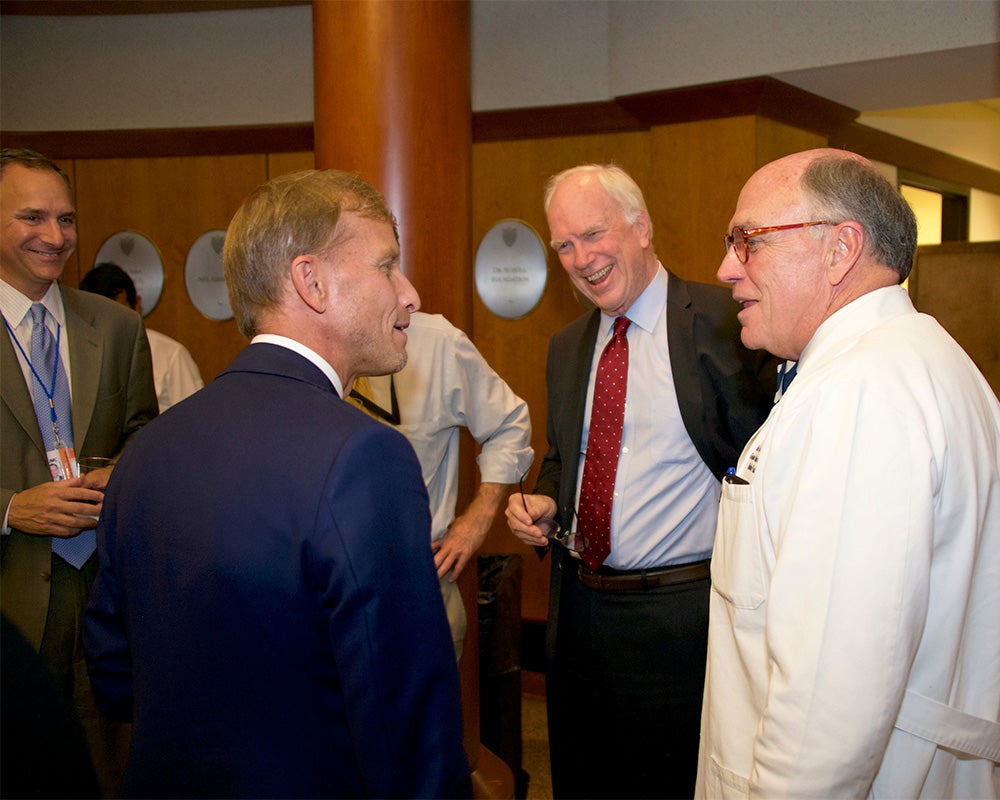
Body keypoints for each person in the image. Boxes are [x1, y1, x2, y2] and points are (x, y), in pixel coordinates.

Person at [83, 169, 471, 799]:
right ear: (311, 281)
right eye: (387, 266)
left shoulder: (147, 450)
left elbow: (114, 670)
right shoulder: (365, 456)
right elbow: (404, 722)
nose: (411, 294)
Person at [696, 149, 1000, 799]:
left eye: (748, 241)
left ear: (839, 250)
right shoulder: (915, 359)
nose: (726, 268)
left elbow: (828, 707)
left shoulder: (863, 392)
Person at [505, 163, 776, 799]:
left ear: (642, 227)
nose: (582, 258)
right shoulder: (566, 346)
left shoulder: (725, 323)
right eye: (564, 245)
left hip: (680, 622)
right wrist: (547, 500)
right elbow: (562, 457)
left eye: (594, 234)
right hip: (578, 617)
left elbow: (771, 463)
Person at [0, 148, 158, 796]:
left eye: (66, 219)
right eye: (32, 217)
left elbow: (144, 430)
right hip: (9, 594)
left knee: (105, 766)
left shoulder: (117, 327)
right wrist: (9, 509)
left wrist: (124, 472)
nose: (55, 236)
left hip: (104, 592)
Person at [349, 310, 533, 659]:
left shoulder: (436, 341)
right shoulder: (298, 350)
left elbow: (509, 424)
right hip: (320, 591)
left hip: (419, 582)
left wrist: (477, 519)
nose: (409, 296)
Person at [80, 262, 204, 412]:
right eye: (100, 317)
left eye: (118, 314)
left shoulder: (171, 356)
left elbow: (196, 419)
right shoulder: (77, 356)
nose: (110, 325)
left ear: (137, 305)